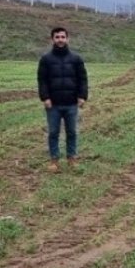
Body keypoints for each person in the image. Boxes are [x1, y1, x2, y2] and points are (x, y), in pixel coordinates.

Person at [37, 27, 88, 172]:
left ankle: (71, 159)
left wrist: (82, 96)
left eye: (63, 37)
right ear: (52, 39)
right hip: (53, 104)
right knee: (53, 132)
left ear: (67, 39)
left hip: (71, 103)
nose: (60, 39)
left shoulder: (76, 59)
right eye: (57, 37)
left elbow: (83, 79)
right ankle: (54, 161)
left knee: (72, 132)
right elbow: (42, 81)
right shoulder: (46, 59)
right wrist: (45, 97)